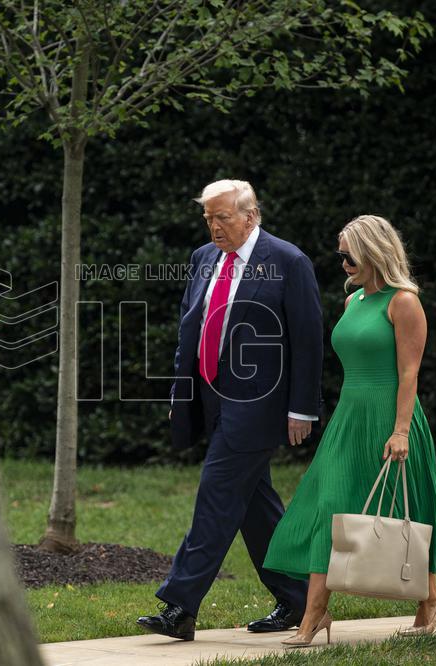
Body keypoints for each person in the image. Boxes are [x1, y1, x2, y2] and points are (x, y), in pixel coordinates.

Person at [136, 180, 323, 641]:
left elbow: (308, 340)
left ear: (251, 215)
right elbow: (190, 329)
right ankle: (299, 598)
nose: (214, 226)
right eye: (208, 218)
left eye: (223, 217)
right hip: (211, 397)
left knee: (217, 496)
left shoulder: (288, 261)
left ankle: (180, 606)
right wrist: (181, 396)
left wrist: (303, 408)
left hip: (259, 405)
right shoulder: (204, 258)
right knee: (252, 506)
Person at [263, 214, 436, 647]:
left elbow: (409, 373)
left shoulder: (404, 302)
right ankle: (314, 614)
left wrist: (401, 430)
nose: (343, 262)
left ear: (374, 252)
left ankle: (432, 599)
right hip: (349, 417)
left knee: (408, 508)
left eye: (350, 254)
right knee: (328, 507)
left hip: (391, 415)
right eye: (341, 254)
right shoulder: (352, 303)